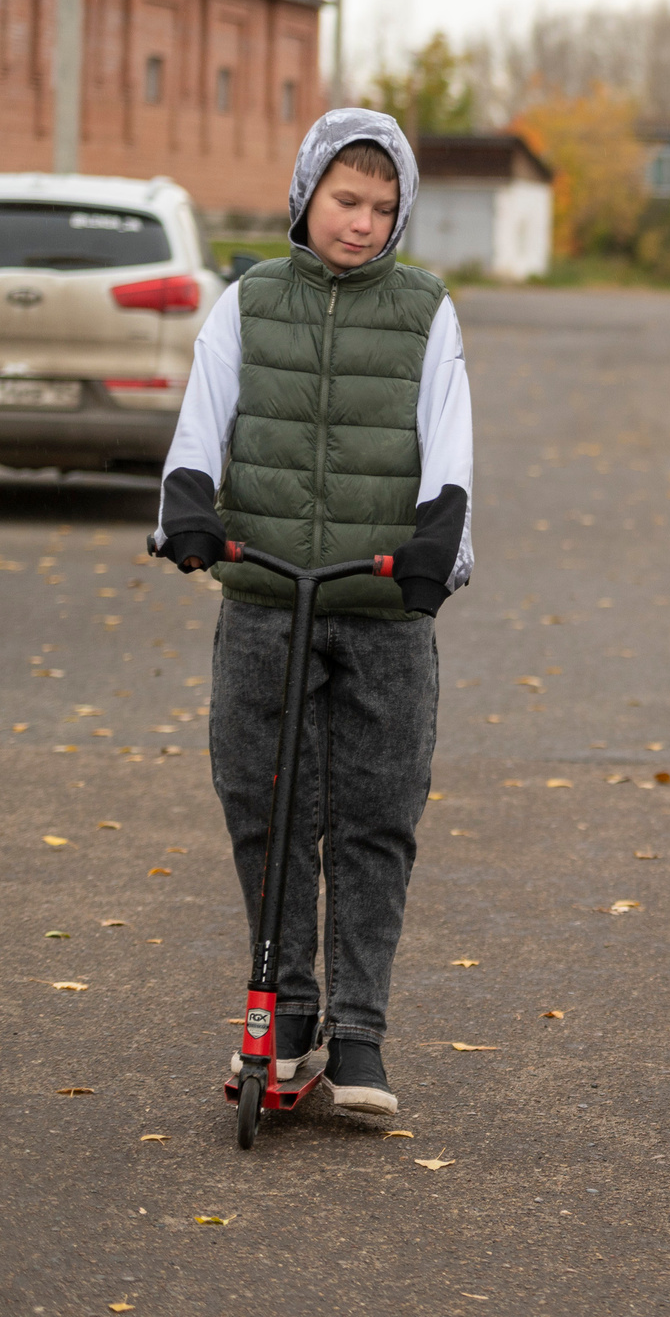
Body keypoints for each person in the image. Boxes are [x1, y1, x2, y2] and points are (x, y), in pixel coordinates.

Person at [152, 108, 475, 1119]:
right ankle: (287, 1017)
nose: (363, 223)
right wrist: (189, 505)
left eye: (384, 208)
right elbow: (204, 415)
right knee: (268, 807)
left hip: (382, 597)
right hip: (267, 588)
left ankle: (362, 1033)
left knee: (378, 819)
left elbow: (448, 436)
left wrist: (440, 537)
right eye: (346, 200)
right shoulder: (250, 300)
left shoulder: (426, 309)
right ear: (306, 194)